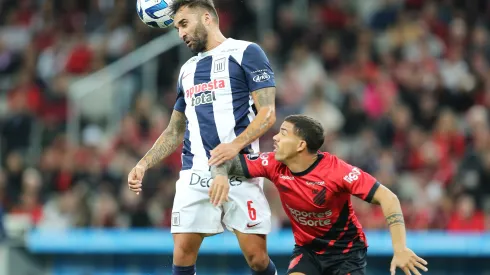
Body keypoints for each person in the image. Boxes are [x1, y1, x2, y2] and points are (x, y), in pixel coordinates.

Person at [127, 1, 278, 275]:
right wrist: (143, 164)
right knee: (182, 253)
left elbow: (267, 113)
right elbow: (175, 130)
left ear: (207, 18)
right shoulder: (186, 70)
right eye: (176, 28)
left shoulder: (246, 52)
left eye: (184, 24)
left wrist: (233, 146)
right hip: (195, 172)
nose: (180, 33)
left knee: (257, 259)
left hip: (241, 169)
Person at [208, 115, 429, 275]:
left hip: (346, 254)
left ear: (301, 145)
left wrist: (399, 248)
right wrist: (219, 176)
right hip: (308, 251)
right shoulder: (273, 163)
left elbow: (388, 197)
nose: (274, 137)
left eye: (283, 133)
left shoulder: (337, 172)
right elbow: (223, 160)